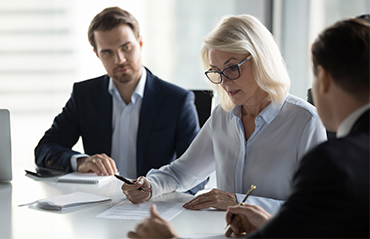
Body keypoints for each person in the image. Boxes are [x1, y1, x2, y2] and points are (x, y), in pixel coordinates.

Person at [127, 16, 369, 239]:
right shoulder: (223, 115)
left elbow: (312, 212)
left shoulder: (305, 120)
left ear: (261, 60)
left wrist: (239, 202)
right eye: (217, 72)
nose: (224, 81)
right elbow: (182, 172)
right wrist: (150, 186)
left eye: (232, 68)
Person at [34, 7, 203, 191]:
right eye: (108, 52)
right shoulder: (84, 95)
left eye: (126, 47)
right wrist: (81, 161)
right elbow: (45, 149)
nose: (119, 59)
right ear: (97, 55)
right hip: (98, 205)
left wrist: (160, 191)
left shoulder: (177, 100)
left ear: (140, 43)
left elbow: (197, 175)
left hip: (156, 206)